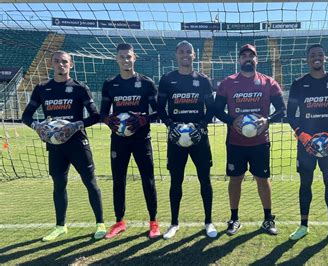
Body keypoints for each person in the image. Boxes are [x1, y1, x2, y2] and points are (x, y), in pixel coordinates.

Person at [22, 50, 106, 241]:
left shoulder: (79, 88)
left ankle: (100, 223)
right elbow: (26, 116)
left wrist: (74, 125)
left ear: (71, 65)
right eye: (57, 61)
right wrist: (38, 126)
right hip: (55, 146)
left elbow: (95, 116)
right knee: (59, 185)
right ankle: (60, 226)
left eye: (65, 62)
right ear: (52, 64)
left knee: (90, 182)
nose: (61, 65)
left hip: (77, 143)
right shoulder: (42, 88)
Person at [215, 44, 286, 235]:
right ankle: (234, 218)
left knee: (262, 180)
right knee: (235, 179)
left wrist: (268, 120)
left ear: (257, 60)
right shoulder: (227, 83)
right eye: (244, 55)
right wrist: (232, 121)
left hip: (260, 142)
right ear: (239, 60)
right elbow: (216, 110)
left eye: (251, 56)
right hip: (235, 143)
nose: (248, 58)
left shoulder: (269, 82)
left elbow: (282, 110)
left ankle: (268, 219)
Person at [286, 44, 328, 245]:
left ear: (325, 58)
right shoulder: (299, 84)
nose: (316, 58)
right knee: (305, 183)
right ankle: (303, 226)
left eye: (320, 55)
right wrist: (301, 135)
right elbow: (290, 114)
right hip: (306, 145)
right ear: (307, 59)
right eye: (313, 55)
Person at [100, 43, 160, 239]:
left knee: (148, 180)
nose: (126, 60)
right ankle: (119, 222)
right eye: (122, 57)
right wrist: (109, 120)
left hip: (142, 139)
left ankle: (153, 222)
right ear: (116, 59)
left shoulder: (146, 83)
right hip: (119, 140)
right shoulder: (110, 84)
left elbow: (158, 111)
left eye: (129, 56)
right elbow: (102, 113)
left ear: (135, 58)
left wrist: (143, 119)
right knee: (118, 180)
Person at [157, 41, 217, 239]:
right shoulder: (167, 80)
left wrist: (200, 127)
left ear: (194, 55)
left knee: (204, 180)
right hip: (176, 139)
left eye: (188, 52)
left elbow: (212, 109)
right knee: (176, 181)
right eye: (181, 52)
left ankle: (208, 222)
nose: (185, 55)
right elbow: (159, 109)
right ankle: (174, 223)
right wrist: (170, 125)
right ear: (176, 55)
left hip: (199, 138)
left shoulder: (203, 80)